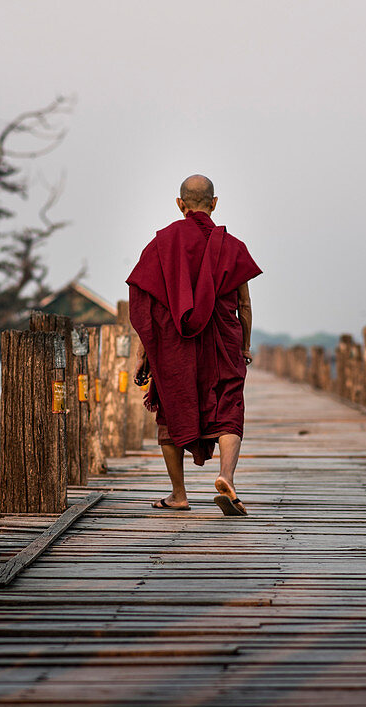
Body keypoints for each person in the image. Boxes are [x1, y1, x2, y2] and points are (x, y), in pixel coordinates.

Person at [126, 174, 262, 516]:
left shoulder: (162, 244)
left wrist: (146, 351)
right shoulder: (232, 247)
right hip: (223, 342)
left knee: (173, 408)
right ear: (214, 203)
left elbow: (148, 302)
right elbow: (243, 305)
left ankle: (178, 495)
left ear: (180, 204)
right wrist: (244, 345)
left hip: (176, 346)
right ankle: (226, 475)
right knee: (229, 407)